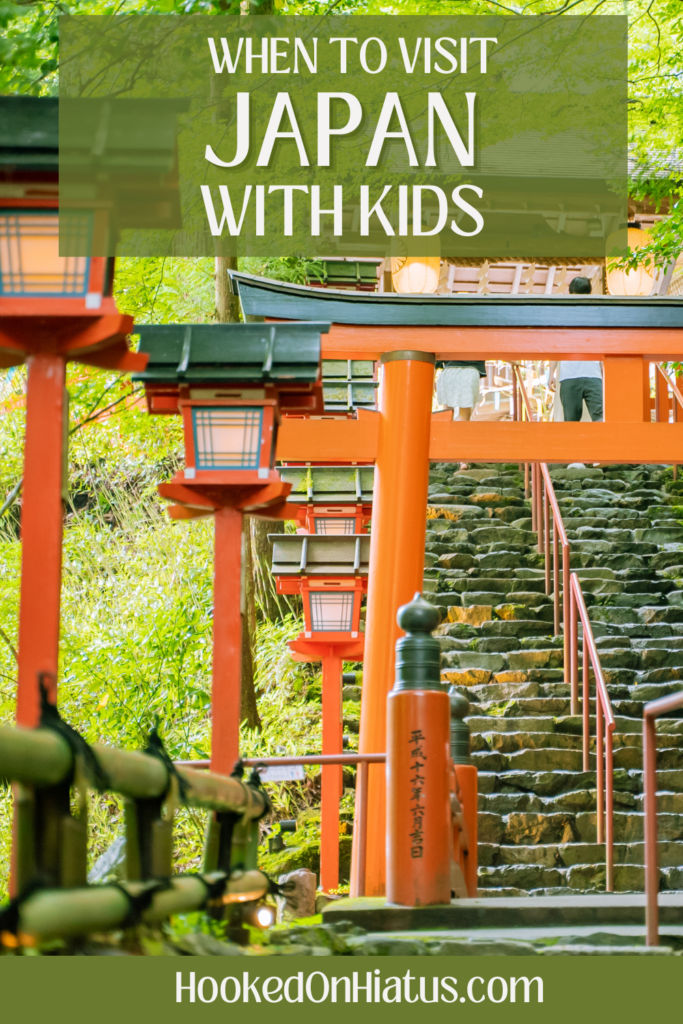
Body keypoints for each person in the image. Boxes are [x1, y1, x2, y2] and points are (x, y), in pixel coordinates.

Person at [548, 276, 603, 422]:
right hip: (580, 374)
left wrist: (551, 373)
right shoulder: (565, 317)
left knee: (594, 418)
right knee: (579, 420)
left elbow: (556, 346)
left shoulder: (596, 315)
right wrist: (551, 373)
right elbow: (556, 346)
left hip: (583, 374)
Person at [435, 359, 487, 471]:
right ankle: (461, 458)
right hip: (469, 371)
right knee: (463, 417)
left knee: (448, 415)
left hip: (449, 371)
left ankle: (447, 450)